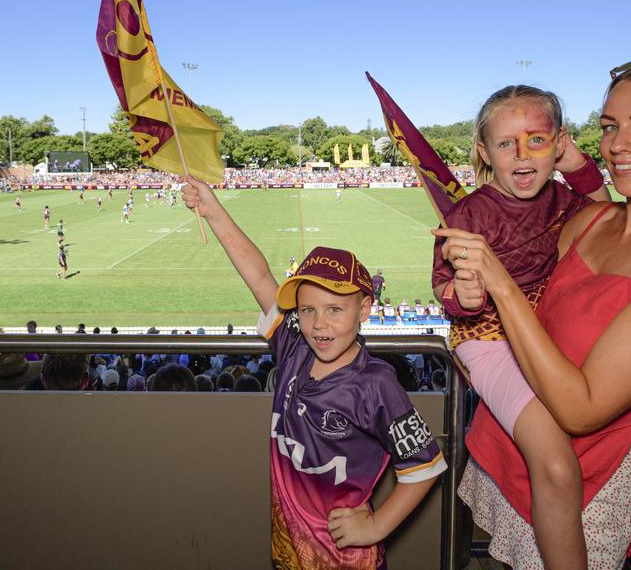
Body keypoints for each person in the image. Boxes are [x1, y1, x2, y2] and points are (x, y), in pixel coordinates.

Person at [436, 52, 631, 568]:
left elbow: (580, 409)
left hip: (584, 488)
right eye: (609, 127)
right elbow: (533, 226)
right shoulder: (592, 222)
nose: (618, 145)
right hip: (507, 454)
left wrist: (496, 284)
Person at [181, 175, 446, 570]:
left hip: (345, 559)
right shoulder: (293, 349)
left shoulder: (375, 384)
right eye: (308, 310)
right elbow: (258, 277)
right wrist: (213, 209)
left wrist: (375, 528)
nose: (319, 324)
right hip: (288, 547)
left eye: (335, 310)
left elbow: (426, 466)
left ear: (365, 309)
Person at [431, 84, 610, 570]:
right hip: (487, 338)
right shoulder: (469, 212)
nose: (522, 152)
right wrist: (463, 297)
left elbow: (609, 216)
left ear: (560, 143)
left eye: (537, 139)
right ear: (485, 153)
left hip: (545, 327)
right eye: (507, 143)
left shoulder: (567, 201)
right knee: (554, 461)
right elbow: (444, 284)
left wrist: (580, 168)